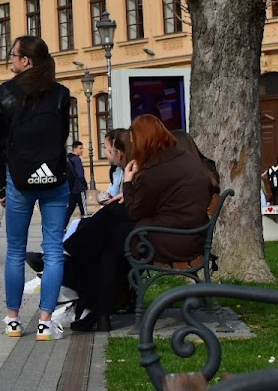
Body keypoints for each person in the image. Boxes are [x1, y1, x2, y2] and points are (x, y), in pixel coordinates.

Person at [67, 114, 211, 332]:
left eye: (134, 139)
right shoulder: (178, 157)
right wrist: (127, 196)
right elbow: (146, 205)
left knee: (111, 235)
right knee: (112, 227)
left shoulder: (156, 168)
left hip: (172, 238)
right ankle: (97, 308)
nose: (133, 144)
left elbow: (136, 211)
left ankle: (71, 260)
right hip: (185, 232)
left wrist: (127, 180)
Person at [0, 35, 71, 341]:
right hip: (54, 179)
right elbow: (62, 135)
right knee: (53, 251)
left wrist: (0, 184)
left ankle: (12, 320)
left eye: (13, 56)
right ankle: (45, 321)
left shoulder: (6, 93)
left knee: (14, 251)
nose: (10, 60)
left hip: (19, 179)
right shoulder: (62, 94)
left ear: (26, 60)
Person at [64, 140, 89, 227]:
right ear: (75, 149)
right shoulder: (76, 159)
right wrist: (85, 185)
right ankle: (85, 225)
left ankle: (63, 226)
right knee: (83, 208)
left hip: (71, 187)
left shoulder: (68, 159)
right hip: (79, 187)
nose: (82, 150)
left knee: (70, 208)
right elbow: (80, 174)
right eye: (80, 148)